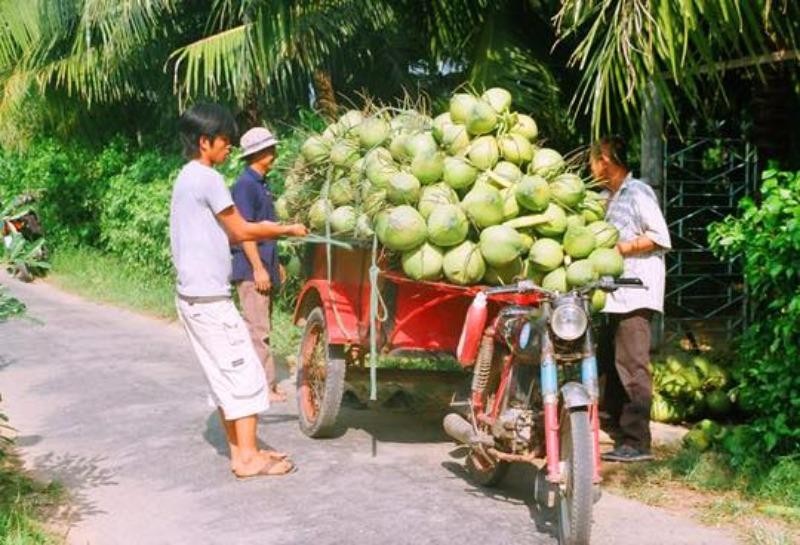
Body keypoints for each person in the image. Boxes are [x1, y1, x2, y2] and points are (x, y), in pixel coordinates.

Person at [169, 103, 308, 478]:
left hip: (193, 297)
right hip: (209, 300)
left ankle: (242, 452)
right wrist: (286, 229)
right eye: (225, 141)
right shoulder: (208, 178)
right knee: (245, 374)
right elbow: (241, 230)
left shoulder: (186, 176)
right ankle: (248, 459)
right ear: (205, 142)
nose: (229, 148)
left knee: (224, 378)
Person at [589, 136, 671, 463]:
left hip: (635, 292)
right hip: (613, 294)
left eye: (593, 160)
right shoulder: (606, 197)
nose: (590, 167)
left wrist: (619, 249)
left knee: (632, 364)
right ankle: (616, 428)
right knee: (608, 360)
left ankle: (638, 442)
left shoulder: (638, 193)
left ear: (605, 159)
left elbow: (659, 237)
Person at [230, 127, 286, 403]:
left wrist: (276, 264)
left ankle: (267, 384)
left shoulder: (262, 184)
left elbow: (268, 232)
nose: (274, 153)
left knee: (263, 327)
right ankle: (262, 387)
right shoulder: (244, 186)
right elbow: (244, 232)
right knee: (258, 330)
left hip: (265, 265)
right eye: (270, 149)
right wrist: (259, 268)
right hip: (253, 270)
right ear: (258, 154)